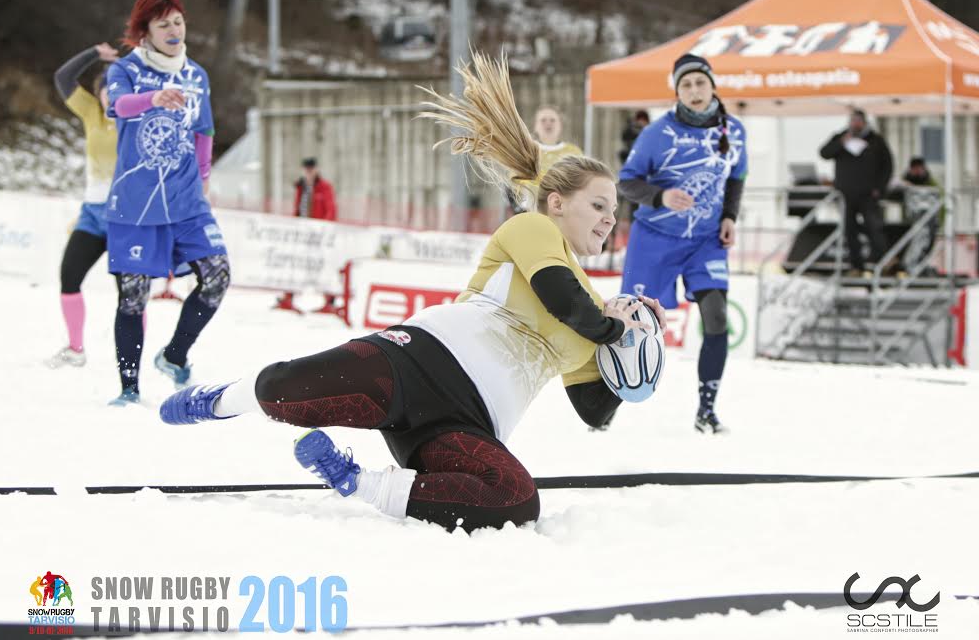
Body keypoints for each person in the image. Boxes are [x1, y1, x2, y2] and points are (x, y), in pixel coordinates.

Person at [159, 52, 666, 533]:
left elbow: (595, 411)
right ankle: (220, 399)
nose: (609, 220)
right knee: (285, 394)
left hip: (466, 425)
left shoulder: (594, 318)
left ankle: (363, 484)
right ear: (557, 202)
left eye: (614, 212)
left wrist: (638, 347)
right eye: (599, 205)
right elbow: (561, 298)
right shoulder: (535, 229)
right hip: (417, 363)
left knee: (516, 499)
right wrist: (615, 328)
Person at [104, 0, 230, 405]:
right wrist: (153, 98)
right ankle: (129, 388)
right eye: (163, 25)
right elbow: (120, 106)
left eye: (178, 21)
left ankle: (175, 356)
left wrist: (204, 179)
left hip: (187, 199)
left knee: (217, 276)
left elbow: (204, 131)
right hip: (137, 202)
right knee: (134, 296)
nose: (174, 31)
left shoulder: (196, 75)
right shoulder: (127, 69)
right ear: (146, 32)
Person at [618, 54, 748, 435]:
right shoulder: (656, 133)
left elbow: (736, 177)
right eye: (685, 85)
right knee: (632, 326)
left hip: (705, 241)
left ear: (712, 86)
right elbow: (626, 181)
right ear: (677, 91)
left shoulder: (735, 130)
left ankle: (706, 410)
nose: (693, 91)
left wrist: (729, 217)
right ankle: (606, 407)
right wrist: (661, 196)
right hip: (654, 240)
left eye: (699, 83)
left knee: (717, 316)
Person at [46, 43, 121, 368]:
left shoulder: (137, 118)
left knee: (131, 295)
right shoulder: (91, 112)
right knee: (69, 276)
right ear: (99, 92)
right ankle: (75, 348)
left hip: (126, 218)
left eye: (119, 89)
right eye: (107, 89)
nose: (111, 96)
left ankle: (131, 358)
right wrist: (94, 54)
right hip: (92, 215)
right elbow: (63, 77)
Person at [819, 109, 894, 276]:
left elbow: (887, 166)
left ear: (864, 122)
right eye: (853, 121)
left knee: (874, 227)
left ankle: (885, 262)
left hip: (868, 194)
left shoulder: (876, 141)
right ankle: (856, 267)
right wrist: (841, 143)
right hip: (846, 195)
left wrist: (879, 189)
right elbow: (824, 153)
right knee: (850, 230)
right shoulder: (841, 137)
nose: (855, 124)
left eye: (858, 121)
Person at [274, 157, 338, 313]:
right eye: (307, 169)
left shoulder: (324, 187)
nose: (309, 172)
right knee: (295, 262)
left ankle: (329, 300)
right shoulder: (300, 186)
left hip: (318, 234)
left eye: (311, 169)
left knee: (321, 265)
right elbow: (298, 208)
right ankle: (289, 296)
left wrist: (324, 229)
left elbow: (330, 209)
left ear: (316, 169)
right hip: (301, 233)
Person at [507, 106, 583, 214]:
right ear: (535, 125)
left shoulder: (573, 152)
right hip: (531, 212)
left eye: (552, 120)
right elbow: (513, 182)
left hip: (564, 212)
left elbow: (581, 182)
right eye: (543, 120)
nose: (548, 123)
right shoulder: (527, 150)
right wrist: (520, 208)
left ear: (560, 125)